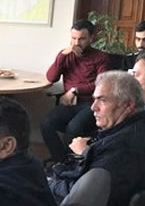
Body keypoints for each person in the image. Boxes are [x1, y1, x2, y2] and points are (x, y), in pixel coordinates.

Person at [49, 71, 145, 206]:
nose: (93, 107)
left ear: (128, 105)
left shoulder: (123, 146)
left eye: (102, 100)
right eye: (94, 99)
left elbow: (82, 196)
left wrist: (50, 183)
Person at [41, 19, 109, 163]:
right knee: (46, 124)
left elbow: (101, 83)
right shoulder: (66, 55)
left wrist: (75, 90)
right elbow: (51, 78)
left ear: (91, 38)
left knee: (73, 128)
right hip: (70, 104)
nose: (76, 43)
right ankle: (60, 161)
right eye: (73, 38)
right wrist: (62, 56)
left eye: (82, 39)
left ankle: (71, 164)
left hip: (91, 104)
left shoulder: (101, 57)